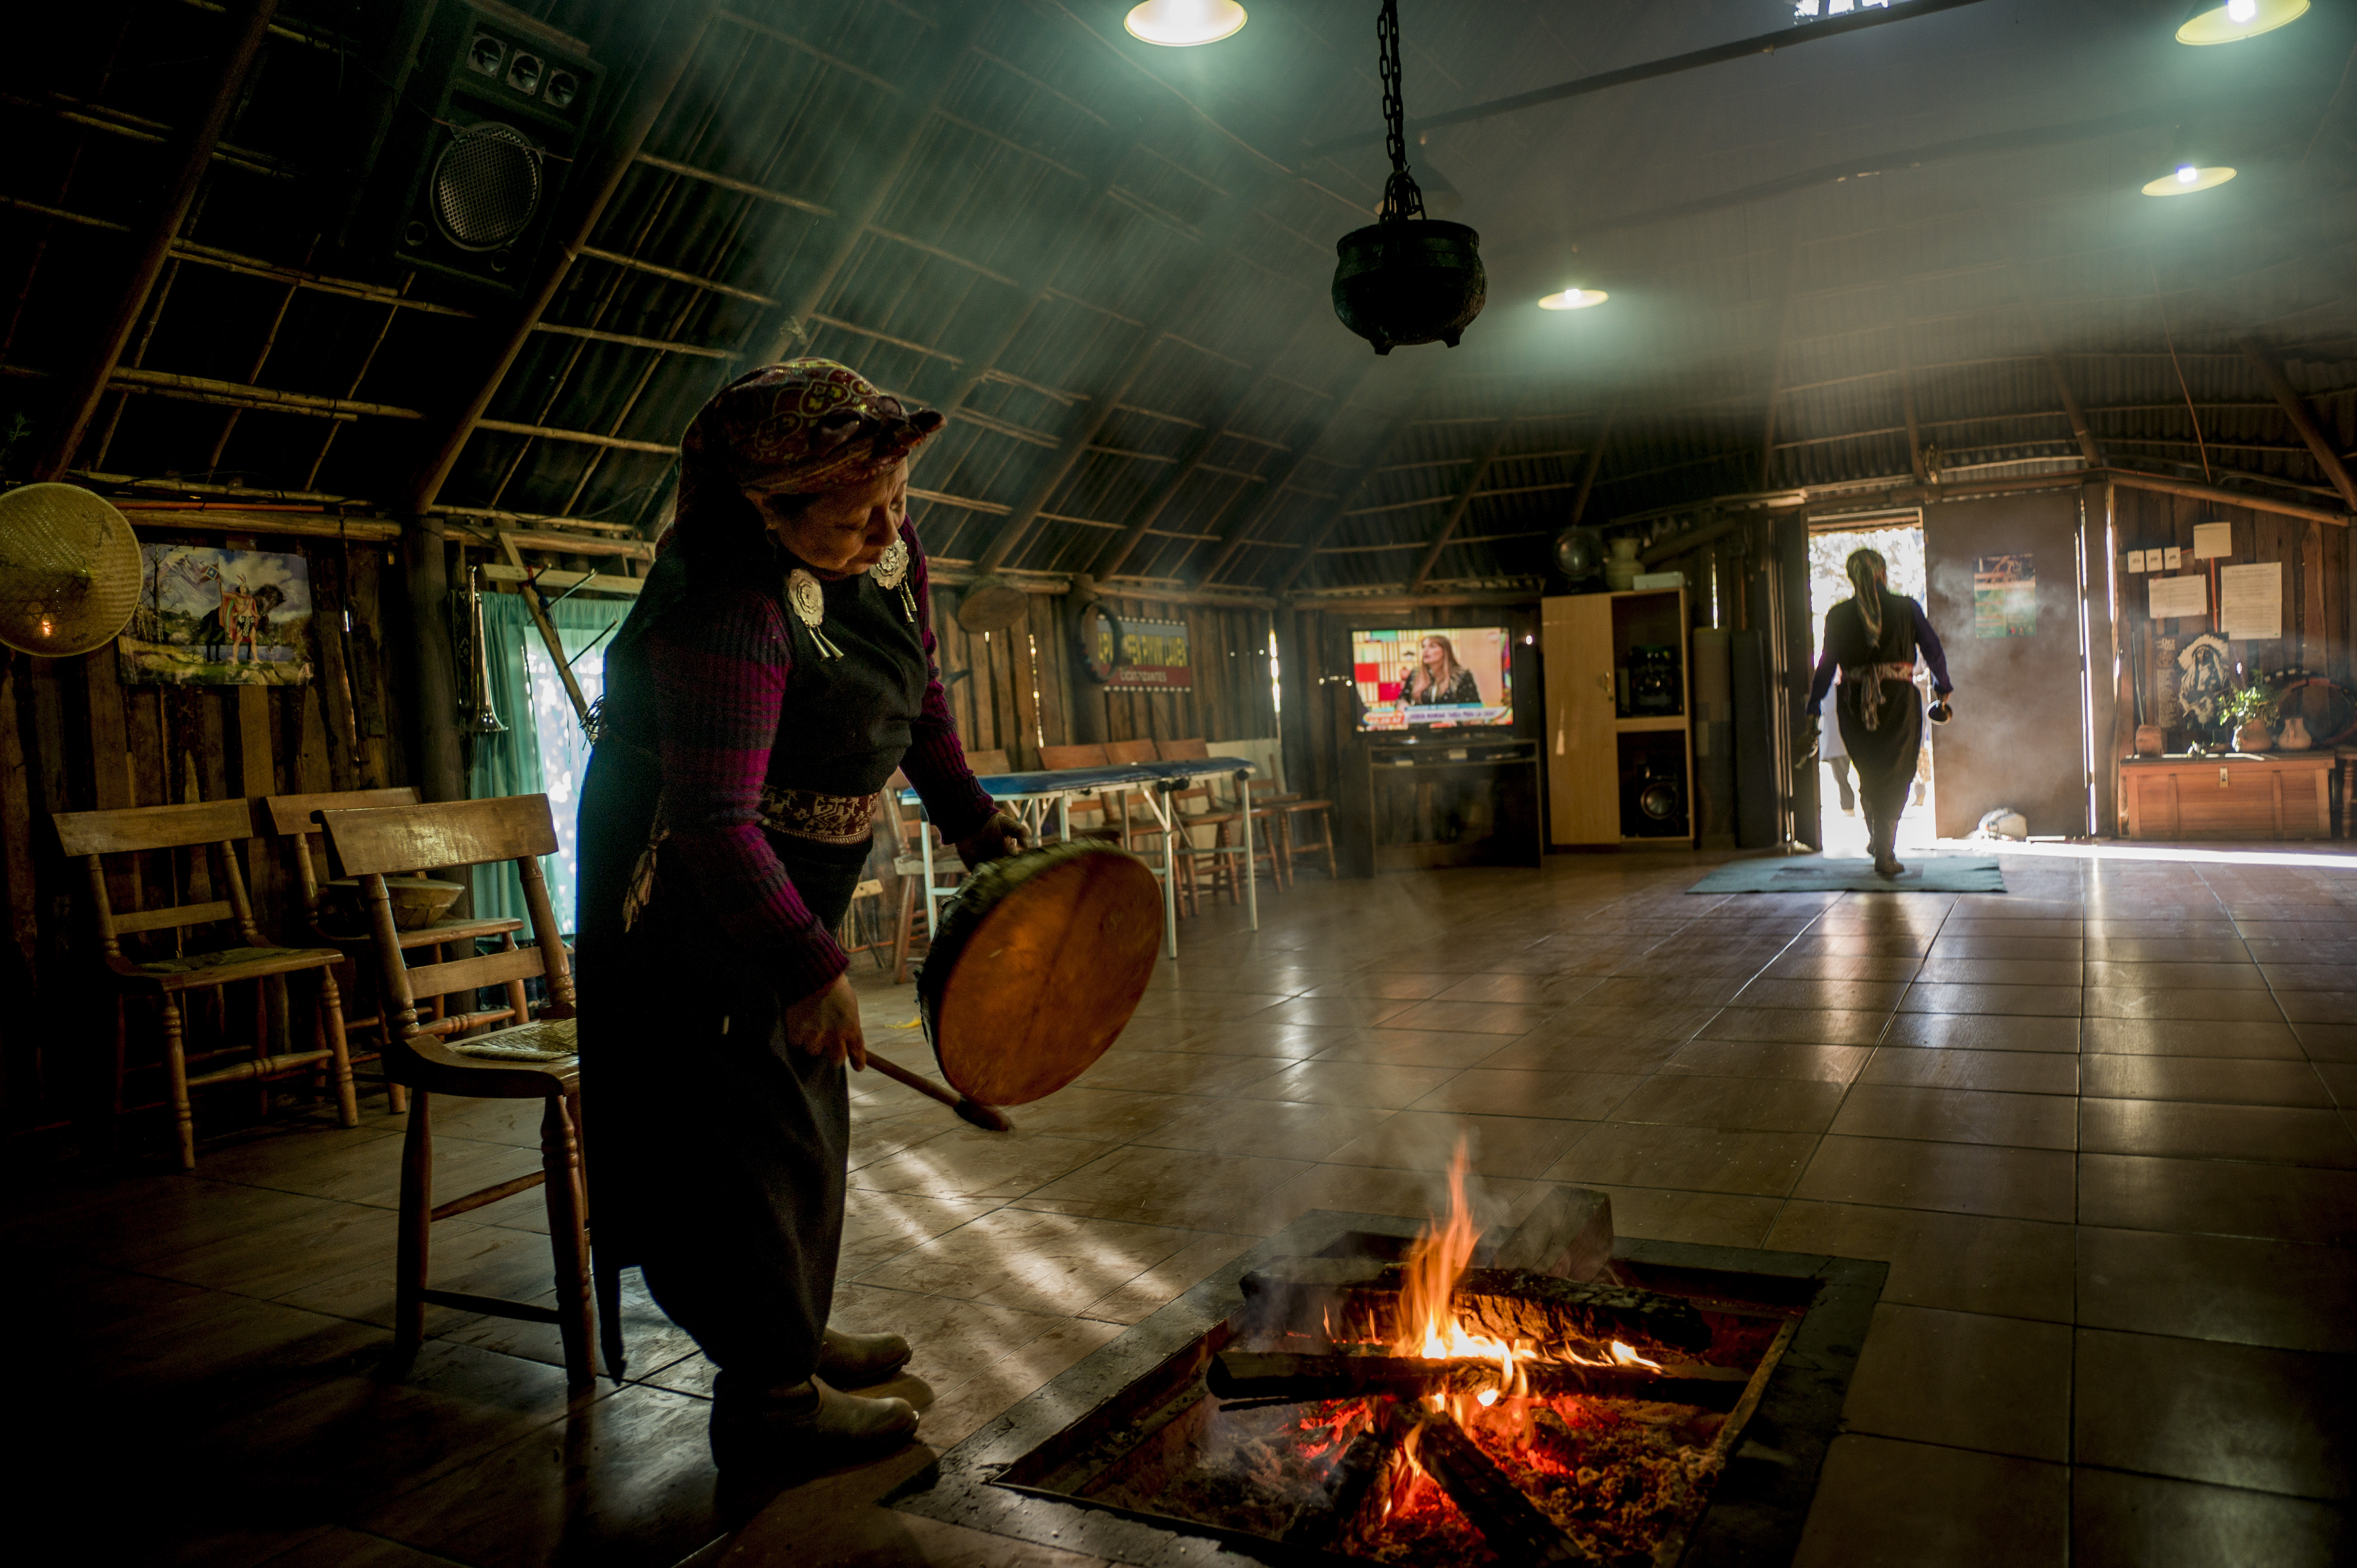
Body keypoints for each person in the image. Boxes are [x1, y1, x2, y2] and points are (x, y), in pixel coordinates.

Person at [576, 360, 1028, 1472]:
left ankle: (786, 1327)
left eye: (896, 498)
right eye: (852, 514)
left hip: (789, 881)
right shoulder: (727, 606)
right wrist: (804, 960)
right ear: (765, 511)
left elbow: (915, 696)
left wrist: (976, 823)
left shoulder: (888, 550)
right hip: (690, 898)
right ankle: (769, 1400)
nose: (885, 528)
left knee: (804, 1117)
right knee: (741, 1133)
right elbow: (714, 823)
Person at [1805, 547, 1953, 877]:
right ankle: (1884, 851)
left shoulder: (1839, 615)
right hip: (1898, 701)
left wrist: (1813, 706)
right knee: (1898, 771)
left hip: (1854, 703)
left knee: (1869, 770)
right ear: (1882, 573)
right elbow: (1933, 648)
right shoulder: (1905, 608)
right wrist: (1943, 686)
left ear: (1852, 576)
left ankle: (1878, 839)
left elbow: (1827, 665)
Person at [1403, 634, 1480, 707]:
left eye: (1432, 647)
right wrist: (1403, 707)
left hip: (1452, 721)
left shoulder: (1462, 676)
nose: (1425, 651)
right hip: (1421, 721)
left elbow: (1474, 706)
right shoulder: (1415, 675)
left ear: (1445, 651)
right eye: (1424, 647)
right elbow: (1403, 700)